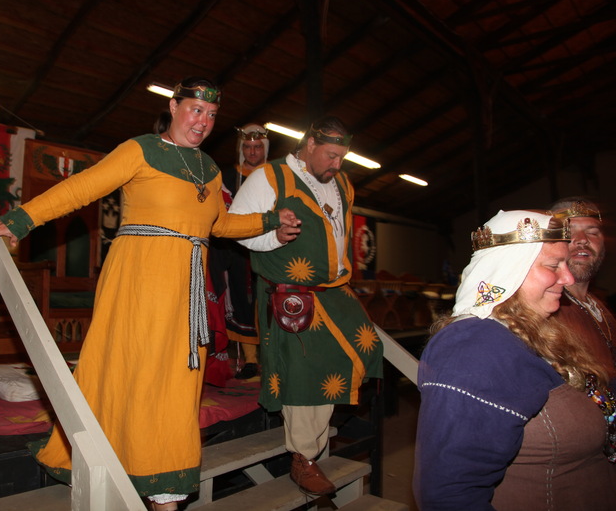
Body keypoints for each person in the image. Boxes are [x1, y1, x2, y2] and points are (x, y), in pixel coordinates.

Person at [0, 77, 299, 510]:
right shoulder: (140, 150)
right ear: (174, 106)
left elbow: (219, 224)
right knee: (133, 373)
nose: (203, 121)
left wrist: (270, 221)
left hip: (186, 294)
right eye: (196, 110)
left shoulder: (210, 168)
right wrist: (19, 220)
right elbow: (80, 188)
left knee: (178, 384)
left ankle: (165, 484)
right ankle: (116, 462)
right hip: (138, 283)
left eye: (211, 115)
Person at [413, 210, 616, 510]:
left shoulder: (538, 328)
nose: (568, 278)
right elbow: (448, 493)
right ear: (509, 269)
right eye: (554, 265)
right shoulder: (474, 347)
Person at [229, 115, 384, 496]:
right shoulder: (269, 177)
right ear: (309, 145)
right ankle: (303, 456)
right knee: (304, 369)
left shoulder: (343, 183)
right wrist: (275, 237)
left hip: (334, 289)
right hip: (290, 294)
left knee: (366, 347)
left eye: (342, 157)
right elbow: (237, 229)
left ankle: (315, 435)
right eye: (330, 155)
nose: (336, 164)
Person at [209, 123, 270, 379]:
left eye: (257, 147)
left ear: (265, 148)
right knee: (240, 300)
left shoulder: (274, 175)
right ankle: (250, 360)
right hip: (235, 250)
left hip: (268, 245)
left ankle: (272, 360)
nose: (252, 152)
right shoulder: (227, 176)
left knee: (265, 301)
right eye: (247, 147)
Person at [551, 198, 616, 376]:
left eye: (592, 232)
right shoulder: (542, 308)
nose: (582, 240)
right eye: (569, 231)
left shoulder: (602, 311)